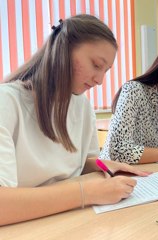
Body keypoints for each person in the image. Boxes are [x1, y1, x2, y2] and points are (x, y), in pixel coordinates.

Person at [0, 14, 148, 226]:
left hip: (71, 220)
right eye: (96, 65)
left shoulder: (82, 105)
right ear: (63, 49)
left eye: (106, 71)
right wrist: (85, 192)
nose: (99, 80)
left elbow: (76, 165)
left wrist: (103, 165)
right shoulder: (6, 102)